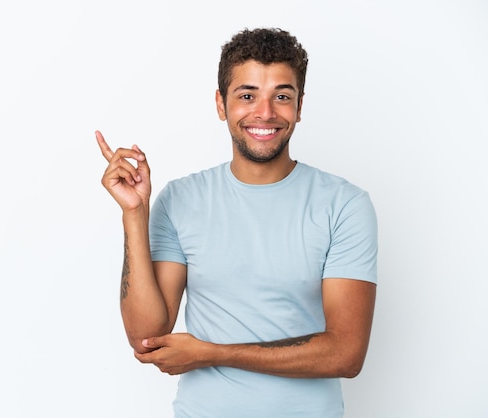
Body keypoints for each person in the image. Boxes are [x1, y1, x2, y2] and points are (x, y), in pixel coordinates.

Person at [96, 27, 377, 418]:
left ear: (299, 106)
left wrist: (212, 353)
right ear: (220, 104)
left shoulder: (345, 204)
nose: (265, 112)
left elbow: (346, 353)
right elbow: (148, 336)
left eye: (281, 96)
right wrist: (134, 215)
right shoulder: (180, 199)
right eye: (247, 96)